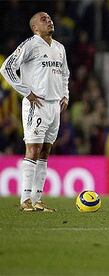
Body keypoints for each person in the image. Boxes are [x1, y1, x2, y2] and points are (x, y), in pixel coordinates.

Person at [0, 12, 70, 212]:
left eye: (49, 18)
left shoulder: (59, 48)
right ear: (35, 28)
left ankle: (37, 199)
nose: (49, 21)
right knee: (32, 150)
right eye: (43, 19)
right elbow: (7, 68)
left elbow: (65, 73)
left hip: (54, 105)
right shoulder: (30, 45)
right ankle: (25, 200)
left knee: (45, 152)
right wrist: (26, 92)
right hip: (36, 105)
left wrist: (65, 95)